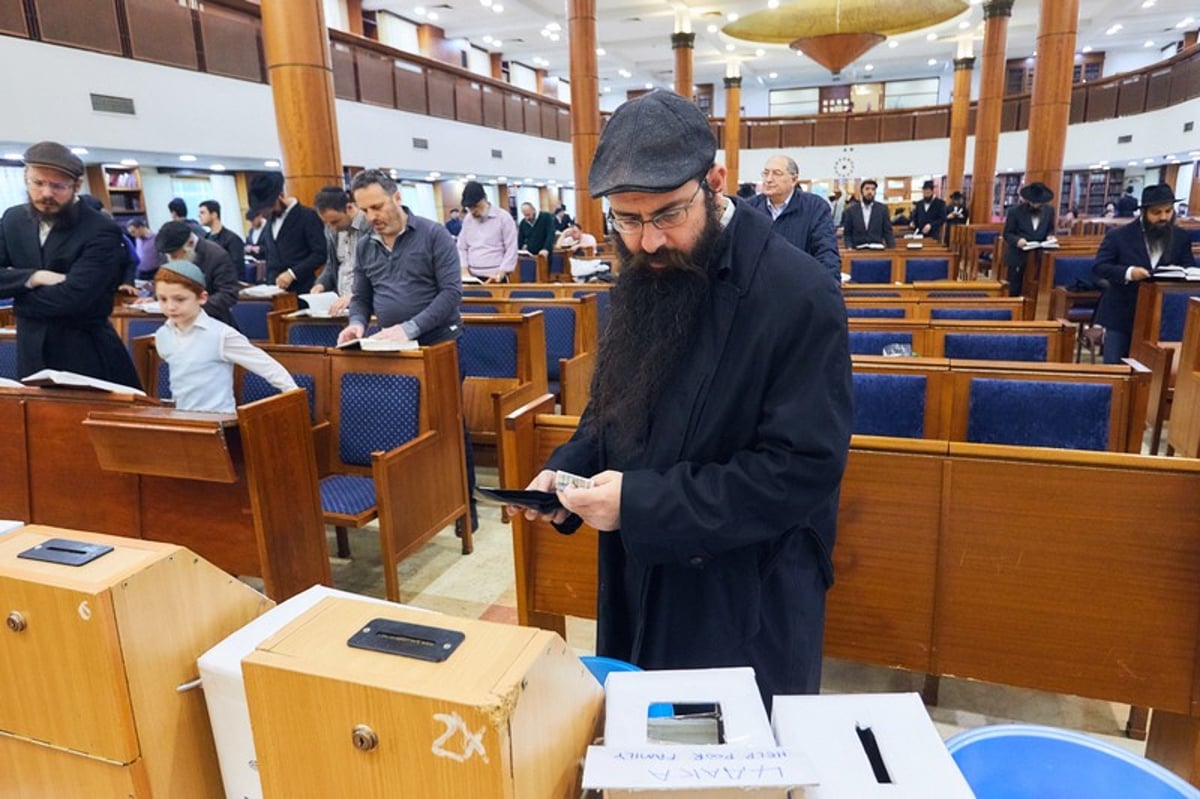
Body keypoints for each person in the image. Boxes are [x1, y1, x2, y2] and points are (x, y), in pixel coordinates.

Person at [516, 90, 852, 705]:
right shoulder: (648, 269)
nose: (646, 242)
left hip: (743, 594)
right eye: (626, 218)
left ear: (716, 181)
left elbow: (801, 469)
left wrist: (641, 502)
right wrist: (571, 467)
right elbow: (616, 402)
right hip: (640, 568)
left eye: (667, 215)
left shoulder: (799, 293)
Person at [337, 168, 476, 529]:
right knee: (406, 430)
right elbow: (362, 296)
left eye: (378, 207)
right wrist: (355, 323)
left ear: (396, 196)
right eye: (364, 210)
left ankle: (465, 503)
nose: (372, 217)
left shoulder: (434, 235)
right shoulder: (366, 242)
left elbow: (451, 295)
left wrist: (409, 328)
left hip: (439, 345)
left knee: (449, 426)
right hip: (391, 352)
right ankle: (419, 504)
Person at [0, 141, 141, 388]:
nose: (46, 193)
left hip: (84, 354)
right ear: (26, 177)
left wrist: (18, 298)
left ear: (77, 185)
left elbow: (76, 297)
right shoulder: (13, 219)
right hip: (31, 353)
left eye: (57, 186)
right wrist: (34, 277)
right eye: (38, 183)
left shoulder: (100, 229)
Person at [154, 260, 295, 413]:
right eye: (163, 299)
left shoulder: (221, 334)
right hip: (183, 421)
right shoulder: (163, 335)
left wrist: (293, 393)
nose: (170, 307)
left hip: (218, 421)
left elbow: (265, 365)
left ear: (202, 298)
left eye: (180, 299)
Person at [1093, 184, 1196, 364]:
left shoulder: (1180, 237)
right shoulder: (1119, 236)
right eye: (1156, 212)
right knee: (1117, 370)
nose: (1163, 217)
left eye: (1168, 211)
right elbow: (1100, 266)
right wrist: (1129, 273)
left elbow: (1188, 266)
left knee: (1153, 373)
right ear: (1144, 213)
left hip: (1161, 317)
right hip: (1122, 314)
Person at [745, 154, 840, 279]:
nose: (768, 179)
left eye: (777, 173)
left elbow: (826, 252)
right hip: (758, 288)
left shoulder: (815, 207)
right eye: (766, 173)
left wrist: (827, 290)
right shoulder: (749, 208)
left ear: (794, 180)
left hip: (800, 286)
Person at [247, 172, 327, 294]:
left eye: (268, 207)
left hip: (302, 289)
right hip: (274, 291)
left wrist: (292, 273)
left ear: (280, 196)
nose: (264, 213)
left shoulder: (307, 216)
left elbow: (320, 253)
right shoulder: (269, 221)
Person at [154, 221, 241, 329]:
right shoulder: (169, 252)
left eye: (175, 255)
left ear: (190, 244)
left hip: (214, 323)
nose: (171, 260)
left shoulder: (216, 255)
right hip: (176, 325)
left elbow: (229, 294)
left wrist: (192, 306)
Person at [312, 185, 371, 316]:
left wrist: (355, 294)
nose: (331, 227)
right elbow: (332, 263)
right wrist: (321, 284)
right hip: (342, 306)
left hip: (366, 304)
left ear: (349, 208)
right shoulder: (332, 229)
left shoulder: (370, 225)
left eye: (335, 221)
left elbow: (375, 270)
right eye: (326, 223)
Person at [1002, 182, 1056, 298]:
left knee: (1037, 287)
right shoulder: (1014, 212)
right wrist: (1018, 241)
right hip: (1018, 254)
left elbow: (1050, 229)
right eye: (1033, 202)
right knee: (1015, 287)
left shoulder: (1049, 211)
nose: (1036, 204)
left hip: (1039, 255)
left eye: (1038, 202)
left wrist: (1050, 236)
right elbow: (1007, 233)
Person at [457, 180, 517, 283]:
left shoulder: (503, 217)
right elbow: (461, 247)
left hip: (496, 277)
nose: (473, 211)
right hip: (472, 277)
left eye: (476, 206)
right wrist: (463, 269)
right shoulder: (468, 219)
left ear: (485, 200)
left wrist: (502, 272)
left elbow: (511, 249)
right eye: (470, 208)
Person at [842, 179, 895, 249]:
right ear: (862, 191)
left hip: (877, 250)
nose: (870, 192)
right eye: (867, 189)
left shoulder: (882, 209)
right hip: (857, 251)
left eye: (873, 189)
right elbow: (847, 233)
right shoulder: (851, 211)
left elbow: (888, 232)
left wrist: (892, 249)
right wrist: (849, 247)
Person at [198, 200, 245, 267]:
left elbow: (237, 268)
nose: (199, 216)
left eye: (202, 213)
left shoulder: (232, 239)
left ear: (214, 215)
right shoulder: (205, 238)